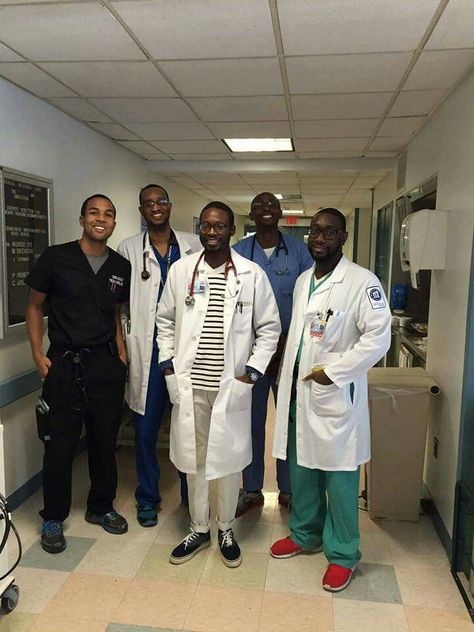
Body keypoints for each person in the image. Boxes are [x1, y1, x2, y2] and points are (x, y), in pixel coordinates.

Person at [270, 208, 391, 592]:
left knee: (339, 480)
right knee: (303, 469)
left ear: (343, 237)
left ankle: (343, 554)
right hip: (299, 393)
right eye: (315, 231)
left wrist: (333, 372)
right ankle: (305, 534)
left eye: (329, 232)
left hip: (334, 395)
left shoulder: (362, 282)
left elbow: (378, 338)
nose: (319, 237)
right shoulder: (305, 278)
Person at [156, 201, 280, 567]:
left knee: (227, 462)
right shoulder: (181, 272)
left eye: (220, 226)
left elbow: (269, 329)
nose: (212, 232)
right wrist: (167, 366)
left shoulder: (251, 274)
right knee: (193, 462)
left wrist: (252, 373)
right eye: (206, 226)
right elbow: (164, 320)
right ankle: (198, 528)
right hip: (189, 385)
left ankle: (225, 527)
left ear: (232, 231)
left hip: (230, 387)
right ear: (200, 230)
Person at [25, 194, 131, 554]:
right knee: (59, 445)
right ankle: (53, 516)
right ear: (83, 218)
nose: (101, 219)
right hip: (64, 365)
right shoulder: (56, 258)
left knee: (104, 441)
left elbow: (115, 314)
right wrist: (38, 354)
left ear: (114, 223)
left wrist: (121, 353)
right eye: (94, 212)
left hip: (105, 365)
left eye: (109, 214)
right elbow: (35, 306)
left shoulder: (120, 266)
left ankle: (101, 507)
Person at [117, 184, 200, 527]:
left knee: (186, 428)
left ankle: (188, 494)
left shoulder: (192, 246)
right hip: (147, 353)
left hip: (186, 352)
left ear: (170, 206)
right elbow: (118, 304)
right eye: (148, 203)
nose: (155, 207)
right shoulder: (128, 248)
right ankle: (148, 498)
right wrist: (123, 345)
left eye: (161, 201)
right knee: (146, 431)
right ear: (141, 210)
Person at [233, 192, 313, 515]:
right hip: (249, 354)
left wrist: (284, 346)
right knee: (250, 423)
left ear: (280, 213)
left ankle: (289, 490)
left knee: (288, 423)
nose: (266, 210)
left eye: (271, 205)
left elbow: (309, 300)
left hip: (287, 353)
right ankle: (251, 490)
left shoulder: (300, 252)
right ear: (251, 214)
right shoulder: (238, 251)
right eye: (259, 206)